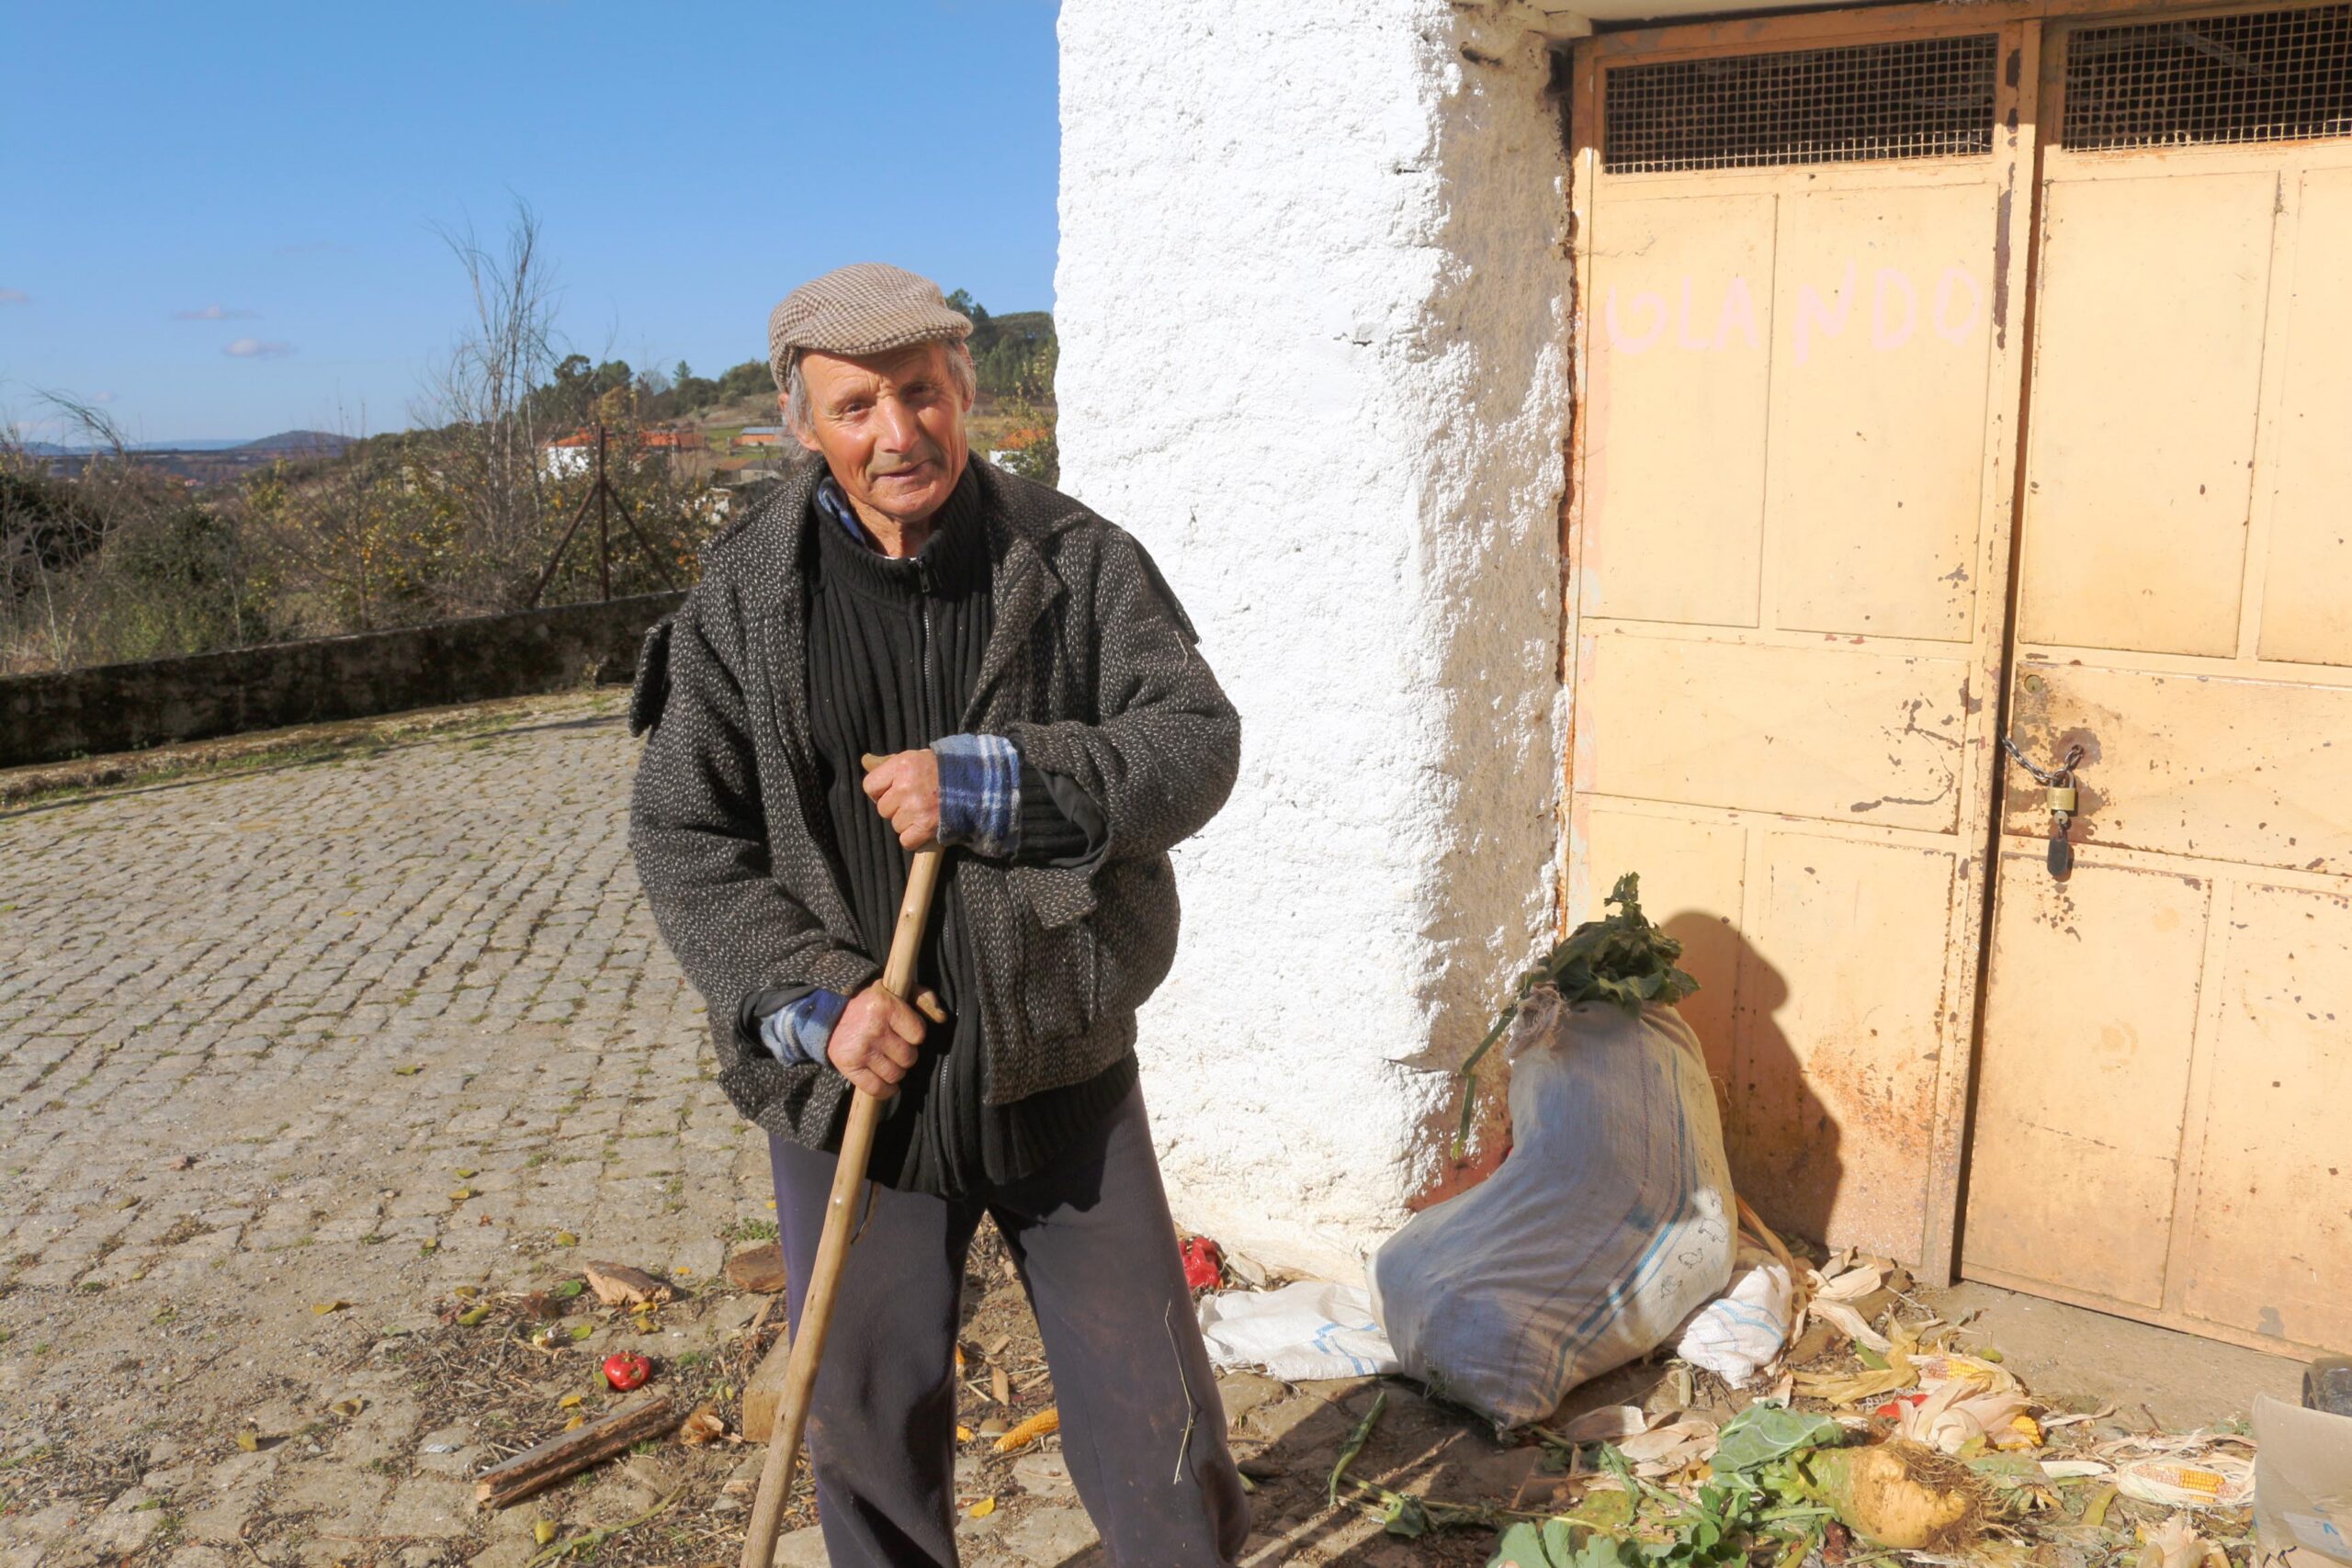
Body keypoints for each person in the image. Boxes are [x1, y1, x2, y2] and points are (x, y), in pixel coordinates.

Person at [628, 262, 1249, 1566]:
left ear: (967, 391)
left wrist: (1001, 780)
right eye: (856, 408)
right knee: (865, 1434)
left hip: (1060, 1071)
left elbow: (1194, 744)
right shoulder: (742, 601)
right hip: (859, 1100)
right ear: (803, 423)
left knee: (1160, 1435)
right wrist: (819, 1004)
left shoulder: (1074, 564)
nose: (897, 435)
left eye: (921, 394)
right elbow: (685, 838)